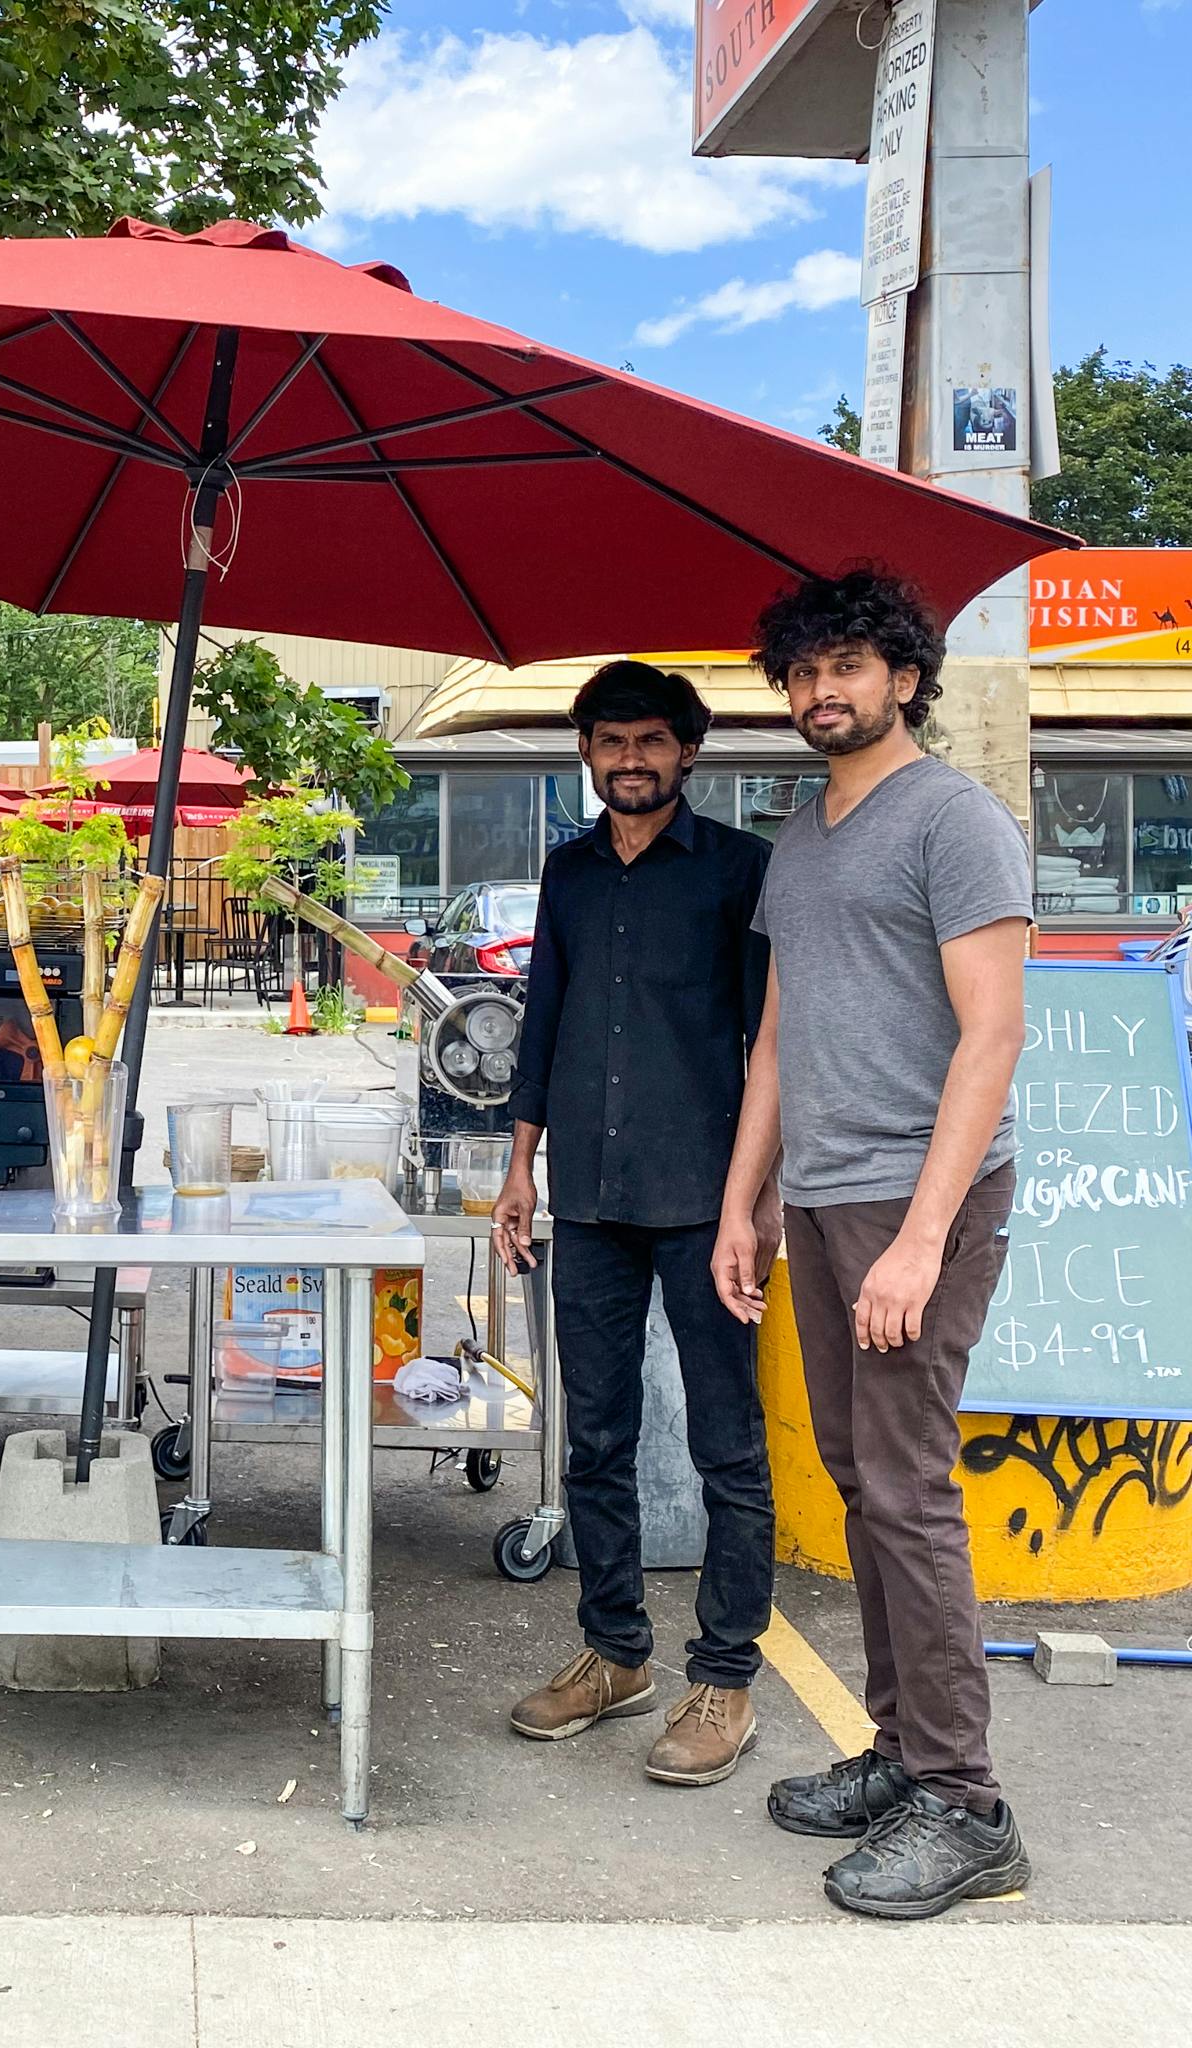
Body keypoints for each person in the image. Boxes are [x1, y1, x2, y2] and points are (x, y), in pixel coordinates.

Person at [713, 569, 1034, 1921]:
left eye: (846, 665)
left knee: (904, 1487)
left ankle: (964, 1802)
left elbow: (994, 1035)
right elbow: (781, 1038)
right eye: (799, 673)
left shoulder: (955, 822)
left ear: (906, 675)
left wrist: (919, 1238)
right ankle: (902, 1754)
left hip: (923, 1205)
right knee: (861, 1480)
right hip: (830, 1197)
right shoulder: (803, 831)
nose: (819, 691)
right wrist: (746, 1200)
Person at [495, 661, 777, 1787]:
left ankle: (726, 1676)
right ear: (586, 752)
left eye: (650, 740)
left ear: (688, 751)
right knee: (594, 1438)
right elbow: (542, 1025)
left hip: (706, 1203)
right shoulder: (565, 874)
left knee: (725, 1446)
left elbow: (770, 1046)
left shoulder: (739, 873)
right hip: (591, 1198)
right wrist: (519, 1169)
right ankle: (615, 1652)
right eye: (609, 740)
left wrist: (754, 1206)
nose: (628, 759)